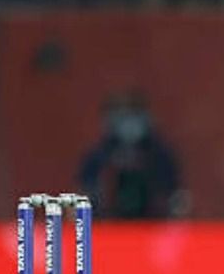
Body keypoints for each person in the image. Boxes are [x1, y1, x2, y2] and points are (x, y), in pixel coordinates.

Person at [78, 90, 186, 219]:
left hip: (153, 223)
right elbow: (85, 190)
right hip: (110, 224)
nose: (127, 122)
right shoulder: (100, 154)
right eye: (120, 114)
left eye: (132, 113)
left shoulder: (159, 153)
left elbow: (174, 194)